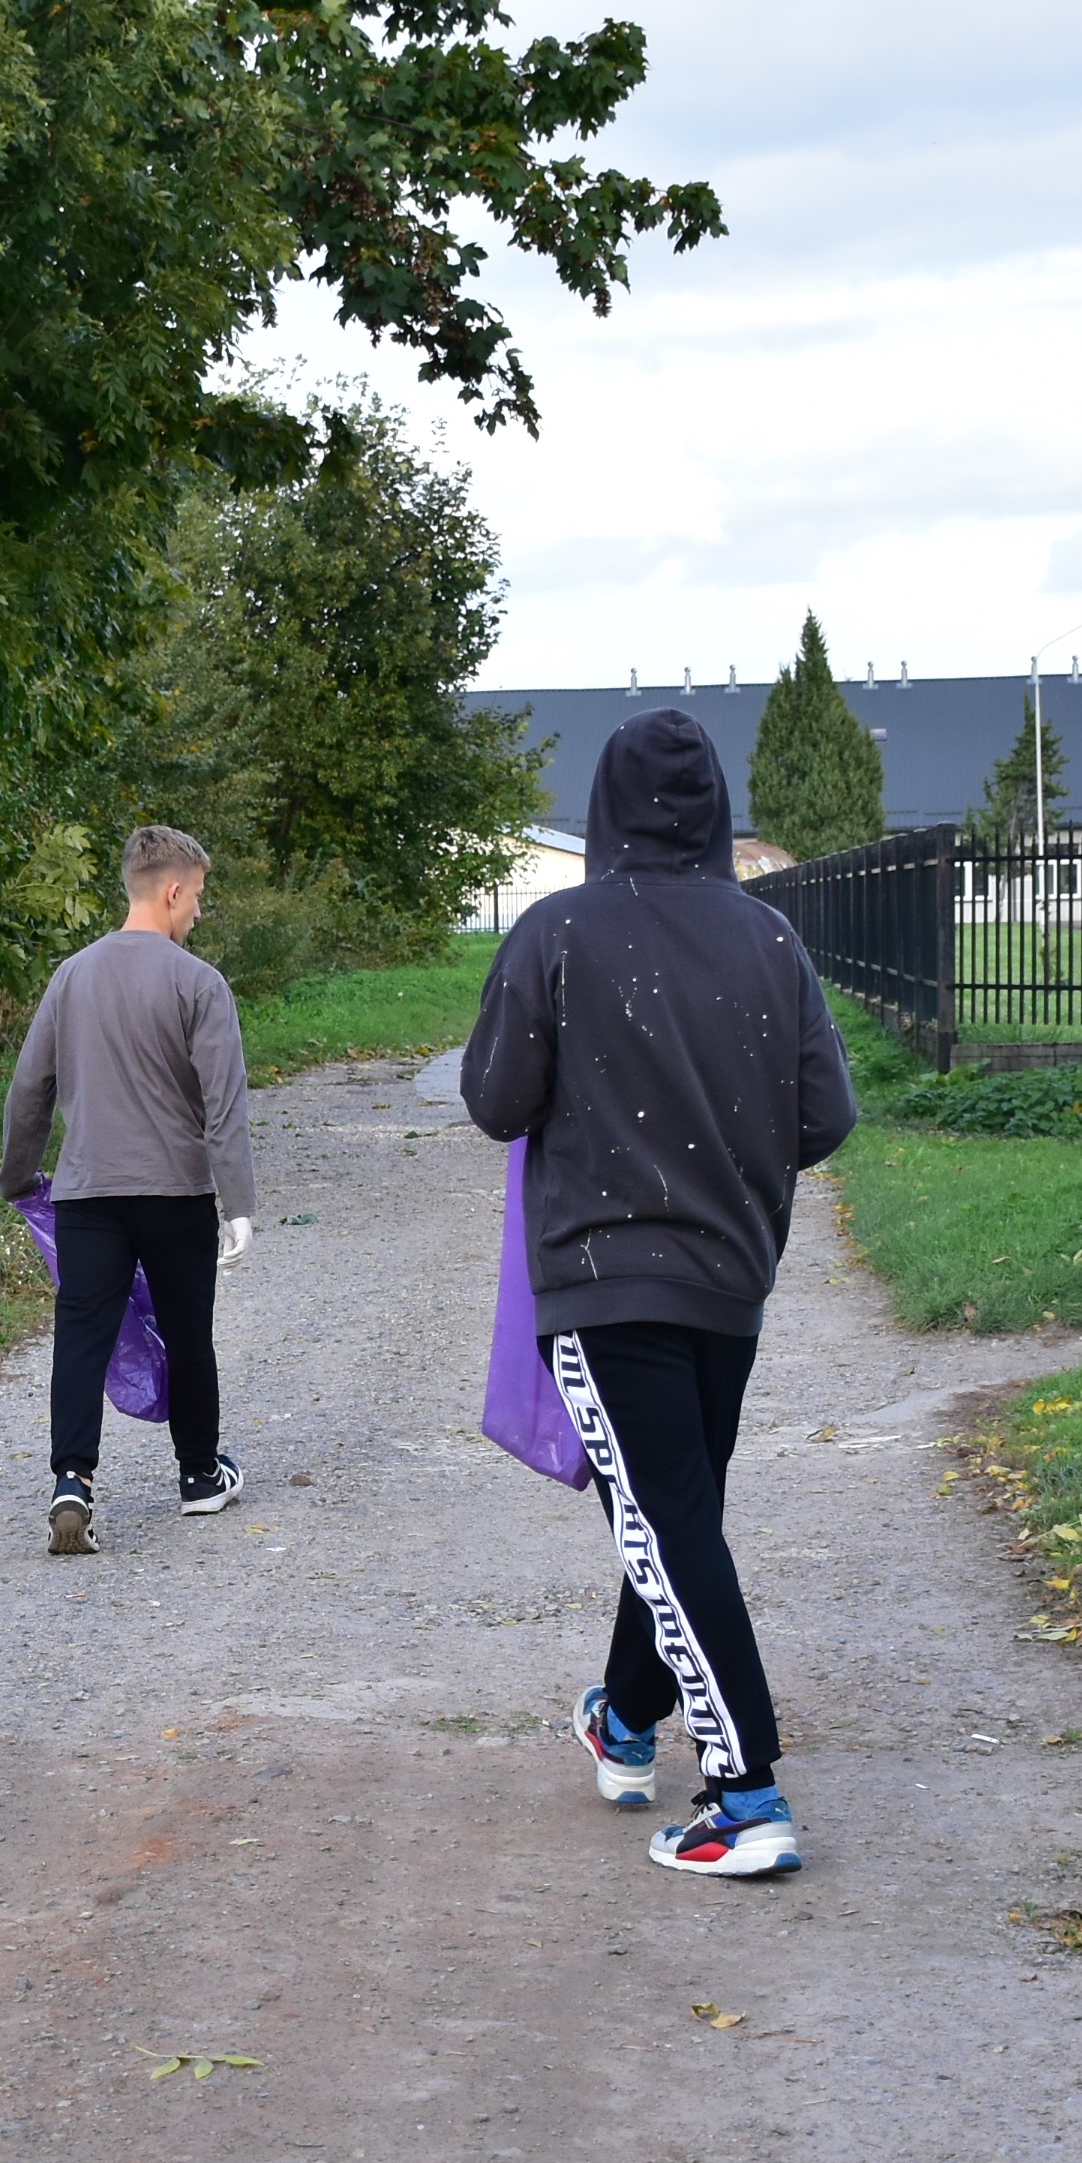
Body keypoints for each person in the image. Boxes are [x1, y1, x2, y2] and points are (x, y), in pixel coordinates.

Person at [462, 710, 858, 1880]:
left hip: (603, 1282)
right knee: (674, 1515)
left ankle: (744, 1793)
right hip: (731, 1280)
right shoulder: (770, 940)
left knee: (669, 1523)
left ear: (604, 806)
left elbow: (494, 1099)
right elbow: (824, 1116)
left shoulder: (557, 934)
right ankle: (625, 1722)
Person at [0, 824, 260, 1552]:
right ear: (173, 891)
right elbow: (223, 1104)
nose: (199, 913)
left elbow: (29, 1089)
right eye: (199, 897)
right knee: (187, 1333)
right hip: (175, 1193)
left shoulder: (71, 976)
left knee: (82, 1336)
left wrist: (19, 1177)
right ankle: (200, 1477)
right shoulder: (199, 983)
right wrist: (238, 1204)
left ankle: (72, 1481)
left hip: (87, 1196)